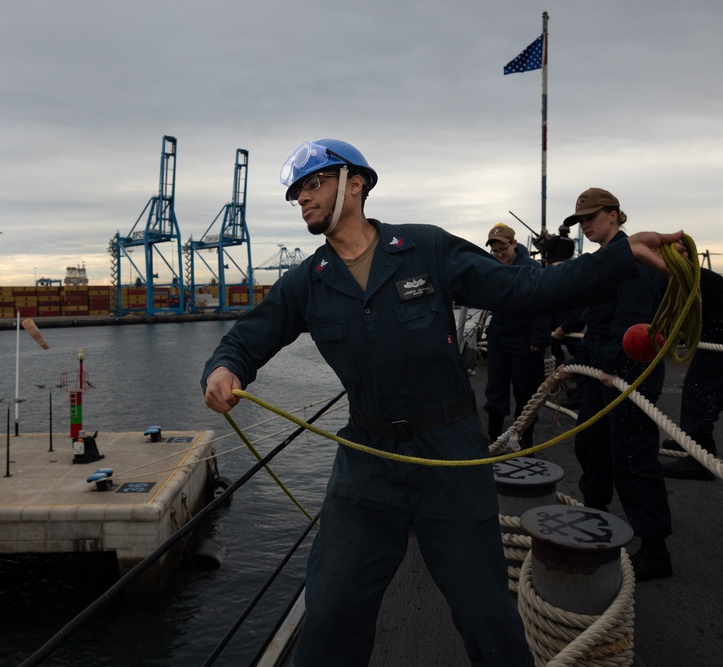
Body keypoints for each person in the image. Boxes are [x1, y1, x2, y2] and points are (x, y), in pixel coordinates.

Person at [201, 140, 682, 666]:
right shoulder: (307, 283)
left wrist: (621, 252)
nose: (301, 199)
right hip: (366, 462)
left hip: (450, 456)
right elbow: (246, 339)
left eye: (312, 184)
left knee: (484, 613)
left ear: (354, 182)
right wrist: (224, 369)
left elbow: (526, 288)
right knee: (332, 612)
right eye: (295, 192)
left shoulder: (426, 249)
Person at [556, 187, 673, 581]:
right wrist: (576, 365)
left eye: (591, 218)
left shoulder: (634, 261)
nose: (585, 226)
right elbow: (597, 324)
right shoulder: (604, 263)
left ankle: (655, 548)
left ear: (614, 215)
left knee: (632, 458)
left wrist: (609, 369)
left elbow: (631, 324)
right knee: (591, 446)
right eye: (580, 221)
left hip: (630, 373)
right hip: (603, 374)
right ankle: (596, 518)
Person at [482, 222, 550, 447]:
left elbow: (543, 303)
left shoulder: (531, 268)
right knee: (496, 388)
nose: (499, 254)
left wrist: (539, 338)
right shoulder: (492, 266)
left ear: (514, 244)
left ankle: (524, 441)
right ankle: (493, 438)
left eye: (503, 249)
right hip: (500, 334)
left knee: (526, 392)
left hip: (525, 337)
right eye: (495, 250)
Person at [660, 266, 723, 481]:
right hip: (715, 325)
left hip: (719, 329)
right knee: (710, 389)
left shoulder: (678, 277)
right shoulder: (689, 274)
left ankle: (699, 459)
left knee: (698, 391)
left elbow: (672, 313)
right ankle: (690, 440)